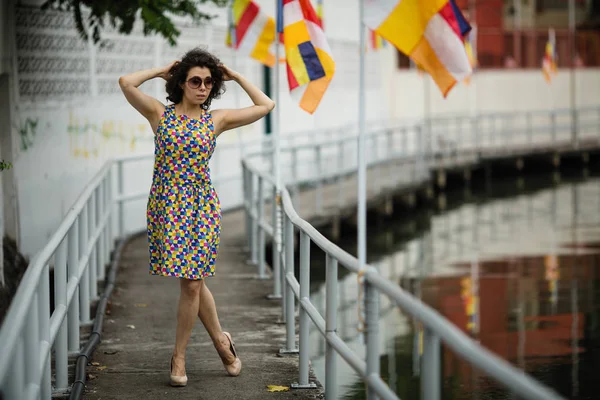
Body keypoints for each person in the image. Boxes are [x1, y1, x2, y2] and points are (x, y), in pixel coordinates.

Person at [118, 47, 275, 387]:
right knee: (194, 281)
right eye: (195, 80)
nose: (203, 87)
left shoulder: (214, 120)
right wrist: (162, 70)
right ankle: (222, 341)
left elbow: (266, 106)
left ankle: (178, 357)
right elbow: (126, 83)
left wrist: (234, 76)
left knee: (191, 282)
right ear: (182, 83)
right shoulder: (160, 114)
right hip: (167, 205)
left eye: (209, 81)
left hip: (202, 207)